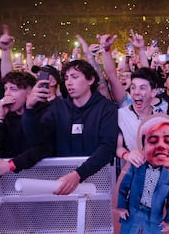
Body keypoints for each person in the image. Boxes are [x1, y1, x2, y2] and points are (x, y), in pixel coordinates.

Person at [21, 59, 118, 195]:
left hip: (98, 182)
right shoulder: (57, 107)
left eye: (74, 77)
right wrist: (30, 110)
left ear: (90, 79)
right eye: (66, 78)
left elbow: (108, 147)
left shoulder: (106, 108)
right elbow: (38, 140)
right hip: (62, 182)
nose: (69, 82)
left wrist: (79, 174)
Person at [0, 71, 51, 178]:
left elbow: (42, 148)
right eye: (5, 89)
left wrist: (10, 165)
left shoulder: (46, 112)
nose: (7, 94)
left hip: (42, 177)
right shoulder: (7, 116)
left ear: (30, 92)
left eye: (13, 89)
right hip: (11, 180)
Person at [116, 115, 169, 233]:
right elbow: (123, 188)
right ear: (143, 147)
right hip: (132, 215)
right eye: (152, 141)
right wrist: (121, 207)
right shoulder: (136, 168)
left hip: (154, 220)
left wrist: (168, 221)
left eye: (168, 141)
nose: (161, 146)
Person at [117, 67, 167, 167]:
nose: (136, 92)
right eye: (133, 87)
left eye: (142, 88)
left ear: (153, 92)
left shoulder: (162, 117)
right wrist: (127, 155)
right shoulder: (120, 115)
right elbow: (118, 147)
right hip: (130, 174)